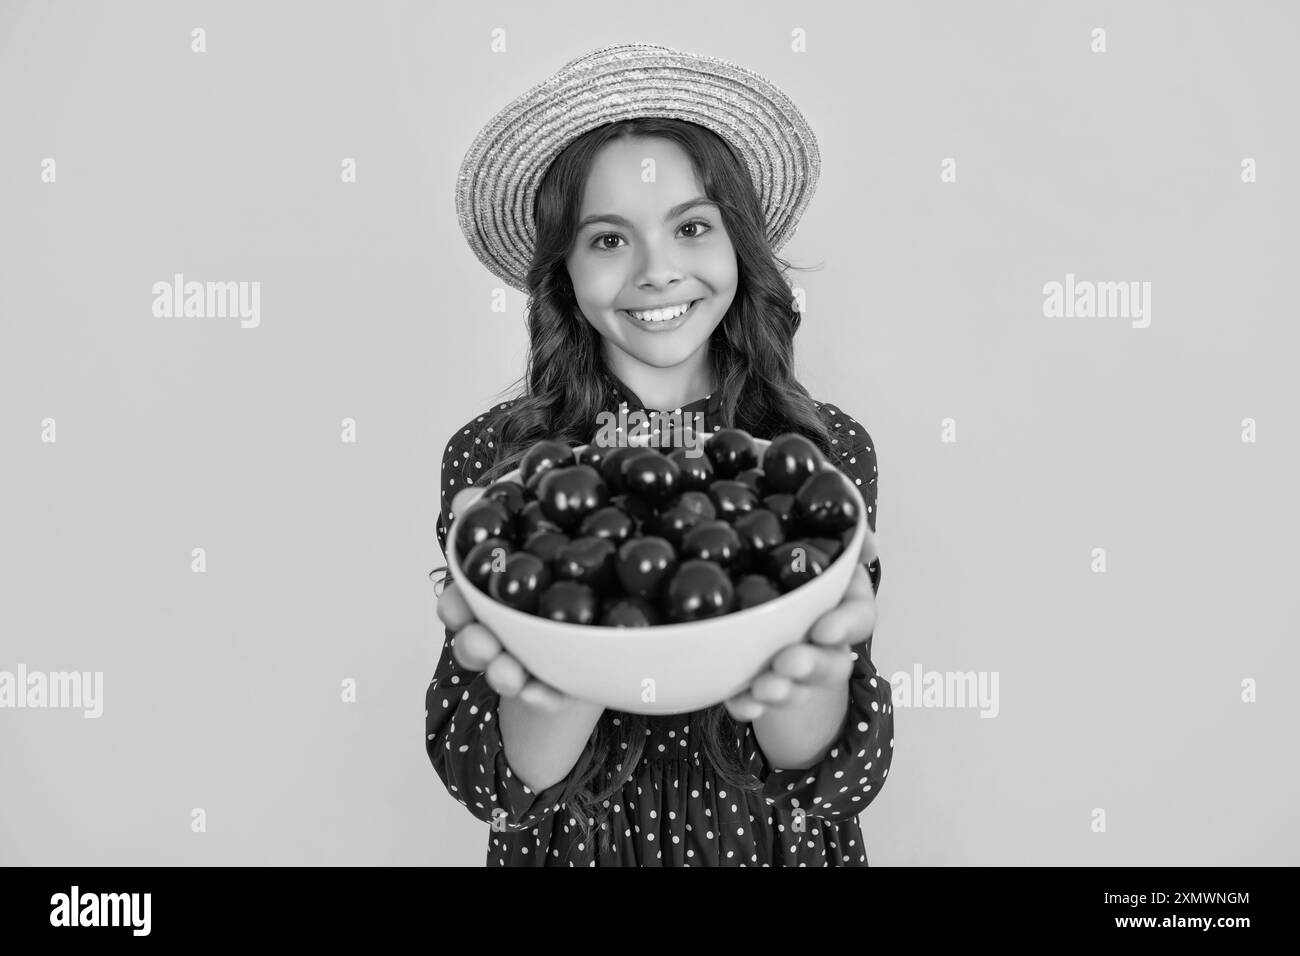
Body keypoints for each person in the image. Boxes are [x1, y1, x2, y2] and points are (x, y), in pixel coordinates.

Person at [427, 43, 893, 866]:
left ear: (735, 244)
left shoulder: (821, 455)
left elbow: (828, 774)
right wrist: (556, 663)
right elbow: (500, 784)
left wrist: (812, 667)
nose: (656, 272)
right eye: (608, 240)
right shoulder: (499, 462)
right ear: (562, 271)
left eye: (690, 227)